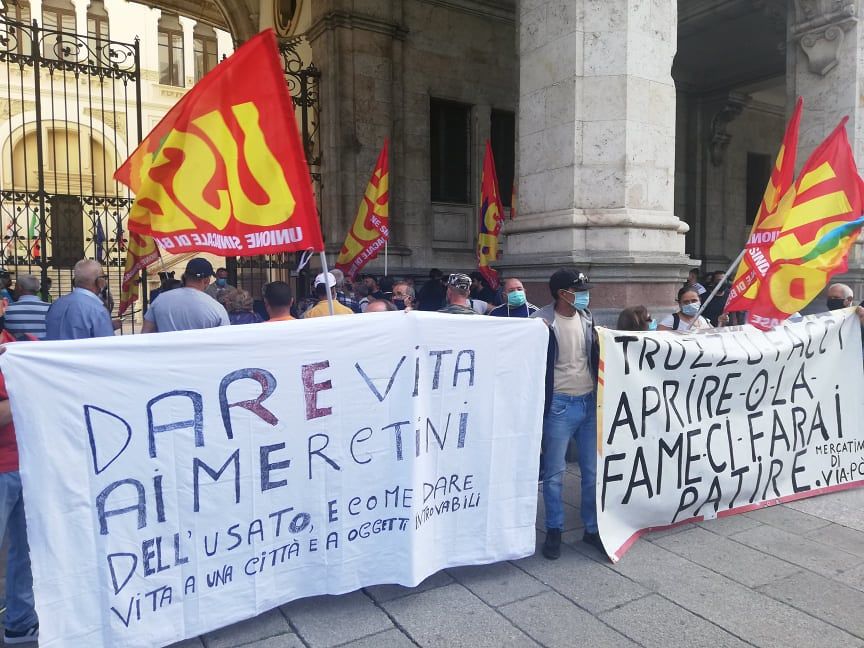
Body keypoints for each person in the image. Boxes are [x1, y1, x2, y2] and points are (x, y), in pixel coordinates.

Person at [531, 268, 601, 558]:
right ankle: (554, 529)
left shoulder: (587, 317)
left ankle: (592, 528)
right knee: (554, 474)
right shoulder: (540, 322)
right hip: (559, 405)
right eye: (578, 290)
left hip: (589, 402)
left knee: (591, 472)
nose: (584, 295)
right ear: (562, 294)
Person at [0, 373, 39, 644]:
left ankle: (20, 622)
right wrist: (31, 389)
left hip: (28, 464)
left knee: (28, 550)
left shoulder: (23, 352)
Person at [141, 258, 230, 333]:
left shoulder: (160, 300)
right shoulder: (216, 308)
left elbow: (145, 333)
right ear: (207, 281)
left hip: (166, 349)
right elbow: (225, 340)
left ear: (185, 276)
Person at [45, 259, 114, 340]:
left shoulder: (56, 304)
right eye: (104, 277)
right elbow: (107, 344)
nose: (105, 281)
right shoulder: (98, 310)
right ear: (99, 281)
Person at [4, 275, 49, 340]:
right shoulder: (50, 309)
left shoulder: (6, 310)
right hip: (44, 346)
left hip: (17, 346)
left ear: (19, 288)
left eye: (15, 286)